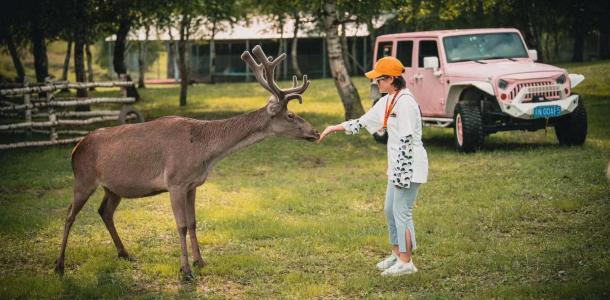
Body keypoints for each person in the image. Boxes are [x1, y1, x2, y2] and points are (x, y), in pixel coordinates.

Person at [317, 56, 428, 276]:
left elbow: (406, 140)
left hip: (409, 166)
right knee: (390, 210)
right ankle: (397, 254)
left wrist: (401, 176)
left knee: (402, 212)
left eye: (379, 79)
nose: (376, 83)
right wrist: (333, 127)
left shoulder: (405, 102)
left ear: (392, 79)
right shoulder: (388, 100)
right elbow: (363, 122)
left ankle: (406, 263)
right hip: (396, 166)